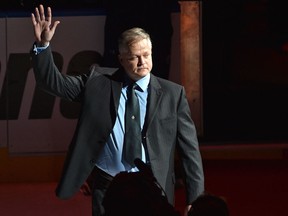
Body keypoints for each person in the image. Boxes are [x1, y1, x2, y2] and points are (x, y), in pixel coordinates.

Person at [30, 5, 204, 216]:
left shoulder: (173, 95)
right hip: (108, 187)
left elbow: (190, 153)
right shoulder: (98, 83)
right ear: (121, 59)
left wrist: (195, 199)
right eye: (134, 57)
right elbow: (53, 83)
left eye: (146, 55)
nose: (142, 62)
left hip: (153, 189)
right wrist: (43, 45)